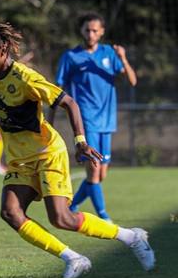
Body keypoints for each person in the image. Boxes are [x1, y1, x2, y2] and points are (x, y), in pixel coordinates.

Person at [0, 16, 154, 278]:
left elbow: (70, 103)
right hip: (19, 159)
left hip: (47, 154)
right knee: (10, 213)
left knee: (62, 219)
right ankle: (74, 258)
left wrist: (80, 143)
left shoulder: (25, 78)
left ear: (4, 49)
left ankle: (131, 237)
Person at [50, 12, 137, 221]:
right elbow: (56, 90)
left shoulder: (109, 53)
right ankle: (103, 216)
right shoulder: (71, 57)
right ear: (81, 31)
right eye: (87, 30)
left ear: (102, 32)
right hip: (86, 120)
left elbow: (132, 81)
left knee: (100, 175)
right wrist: (49, 119)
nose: (90, 34)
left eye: (95, 30)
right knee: (94, 174)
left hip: (107, 120)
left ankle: (71, 205)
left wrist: (123, 57)